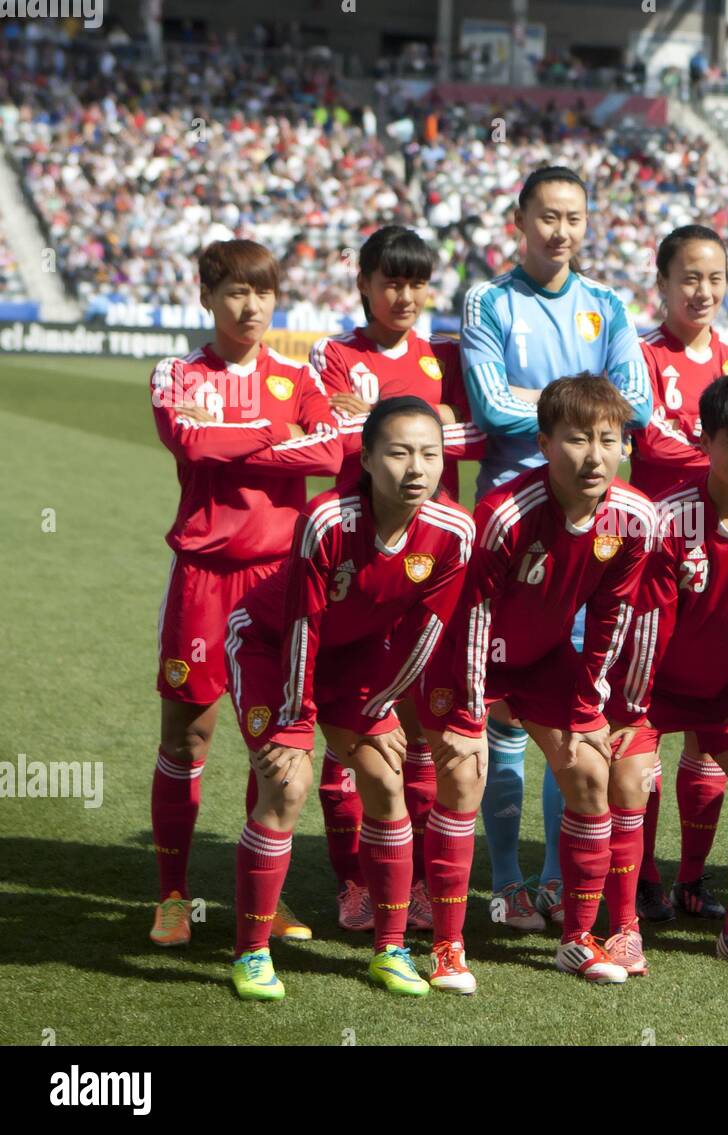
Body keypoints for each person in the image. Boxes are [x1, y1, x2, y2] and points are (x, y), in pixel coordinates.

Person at [224, 397, 473, 1000]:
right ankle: (251, 954)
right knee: (287, 784)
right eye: (399, 453)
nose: (416, 468)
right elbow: (302, 625)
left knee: (387, 783)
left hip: (354, 661)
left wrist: (377, 704)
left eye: (430, 454)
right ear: (365, 457)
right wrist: (295, 722)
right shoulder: (328, 519)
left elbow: (426, 634)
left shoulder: (453, 532)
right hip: (268, 646)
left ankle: (390, 949)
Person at [459, 166, 653, 930]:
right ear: (520, 220)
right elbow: (489, 401)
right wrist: (574, 422)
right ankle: (504, 879)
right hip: (515, 525)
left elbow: (634, 402)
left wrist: (586, 429)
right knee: (505, 716)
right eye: (547, 216)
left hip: (592, 534)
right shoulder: (489, 299)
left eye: (574, 217)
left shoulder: (606, 305)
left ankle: (548, 876)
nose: (560, 231)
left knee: (577, 720)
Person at [417, 375, 655, 988]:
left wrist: (587, 702)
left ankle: (577, 937)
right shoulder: (503, 514)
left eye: (610, 439)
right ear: (545, 444)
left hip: (545, 657)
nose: (595, 454)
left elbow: (611, 616)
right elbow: (471, 616)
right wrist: (471, 717)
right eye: (578, 439)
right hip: (466, 655)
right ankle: (448, 945)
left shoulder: (634, 518)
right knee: (463, 777)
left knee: (587, 771)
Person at [148, 239, 341, 948]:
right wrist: (273, 432)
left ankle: (268, 899)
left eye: (262, 292)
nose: (250, 305)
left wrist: (235, 435)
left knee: (274, 745)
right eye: (234, 291)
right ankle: (172, 894)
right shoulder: (178, 372)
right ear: (206, 296)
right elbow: (190, 446)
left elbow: (328, 453)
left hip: (276, 582)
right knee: (188, 734)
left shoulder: (298, 374)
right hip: (201, 576)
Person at [311, 225, 486, 934]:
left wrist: (411, 428)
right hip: (356, 565)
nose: (404, 294)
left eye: (416, 282)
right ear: (364, 284)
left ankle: (410, 884)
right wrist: (429, 426)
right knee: (346, 736)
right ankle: (352, 880)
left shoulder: (446, 357)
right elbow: (332, 435)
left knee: (417, 731)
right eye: (390, 280)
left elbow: (487, 433)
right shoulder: (335, 354)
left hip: (433, 565)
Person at [605, 375, 728, 974]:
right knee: (630, 779)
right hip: (651, 693)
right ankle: (624, 926)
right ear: (706, 441)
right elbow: (650, 623)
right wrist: (632, 708)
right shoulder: (668, 517)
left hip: (727, 699)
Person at [631, 224, 728, 924]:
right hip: (661, 547)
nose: (703, 290)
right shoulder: (641, 354)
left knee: (711, 729)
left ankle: (692, 875)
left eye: (715, 277)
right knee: (649, 719)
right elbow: (647, 436)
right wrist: (717, 463)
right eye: (689, 276)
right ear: (662, 283)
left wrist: (726, 461)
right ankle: (646, 875)